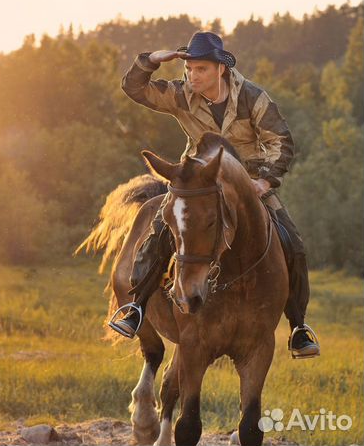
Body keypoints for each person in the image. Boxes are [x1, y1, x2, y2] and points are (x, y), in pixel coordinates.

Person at [109, 31, 320, 359]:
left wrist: (264, 181)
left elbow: (281, 141)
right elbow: (134, 88)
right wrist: (151, 60)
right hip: (196, 186)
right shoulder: (180, 95)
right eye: (189, 69)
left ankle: (298, 326)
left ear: (220, 69)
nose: (192, 75)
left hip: (249, 187)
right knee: (159, 234)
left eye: (200, 69)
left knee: (293, 244)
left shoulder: (252, 98)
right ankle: (136, 306)